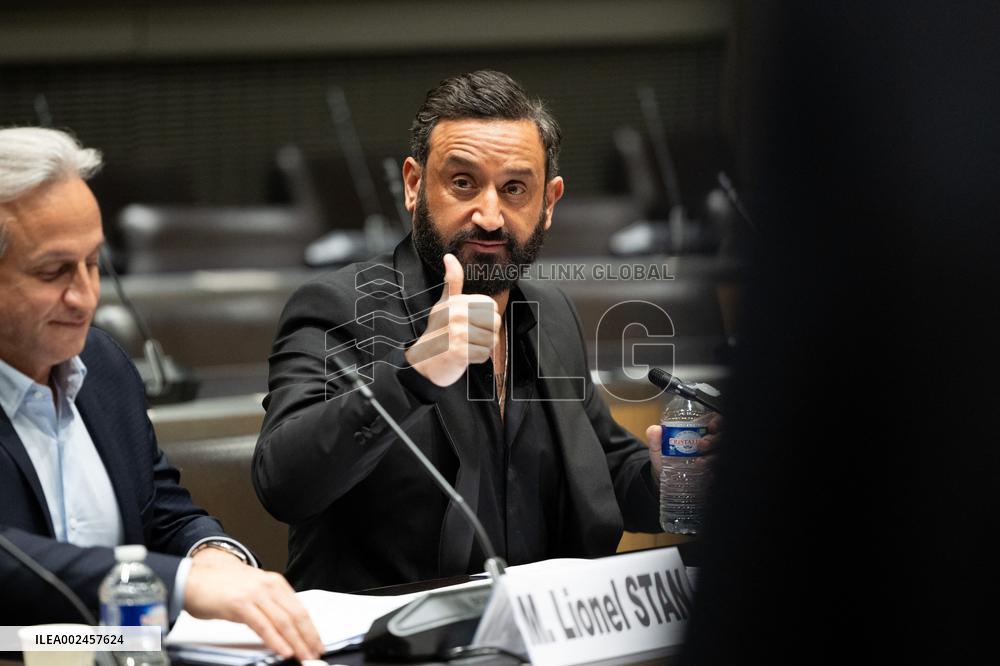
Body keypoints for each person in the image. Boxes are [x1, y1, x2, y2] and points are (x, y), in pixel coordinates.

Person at [254, 70, 712, 593]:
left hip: (543, 622)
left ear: (549, 203)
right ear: (414, 185)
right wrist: (413, 375)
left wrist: (667, 476)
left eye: (515, 189)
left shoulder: (550, 311)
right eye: (463, 183)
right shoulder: (339, 306)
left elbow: (602, 472)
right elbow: (282, 483)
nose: (490, 216)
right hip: (396, 629)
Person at [0, 127, 323, 661]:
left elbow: (161, 511)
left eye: (93, 264)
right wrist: (177, 582)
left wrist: (209, 554)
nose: (85, 297)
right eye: (53, 272)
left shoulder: (102, 366)